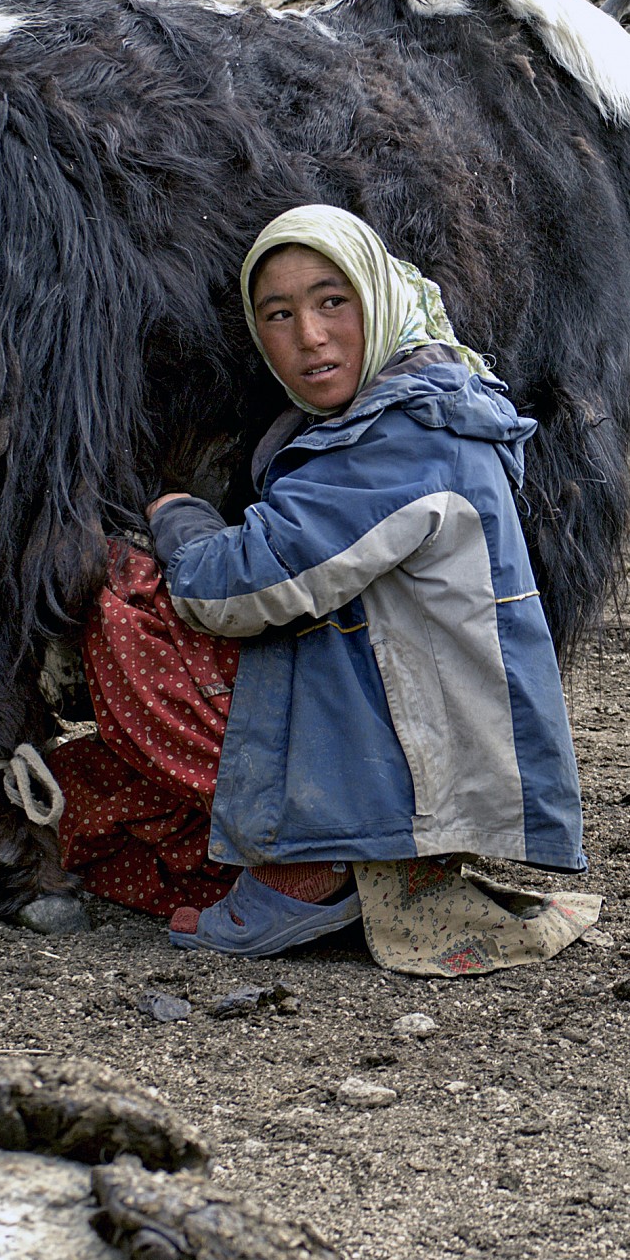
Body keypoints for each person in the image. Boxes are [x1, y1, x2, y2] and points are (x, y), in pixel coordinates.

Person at [42, 204, 586, 959]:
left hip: (414, 770)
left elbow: (226, 591)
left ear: (378, 296)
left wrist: (176, 516)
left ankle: (311, 865)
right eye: (279, 314)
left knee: (126, 601)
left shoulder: (405, 438)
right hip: (412, 731)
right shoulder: (425, 399)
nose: (310, 337)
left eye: (334, 301)